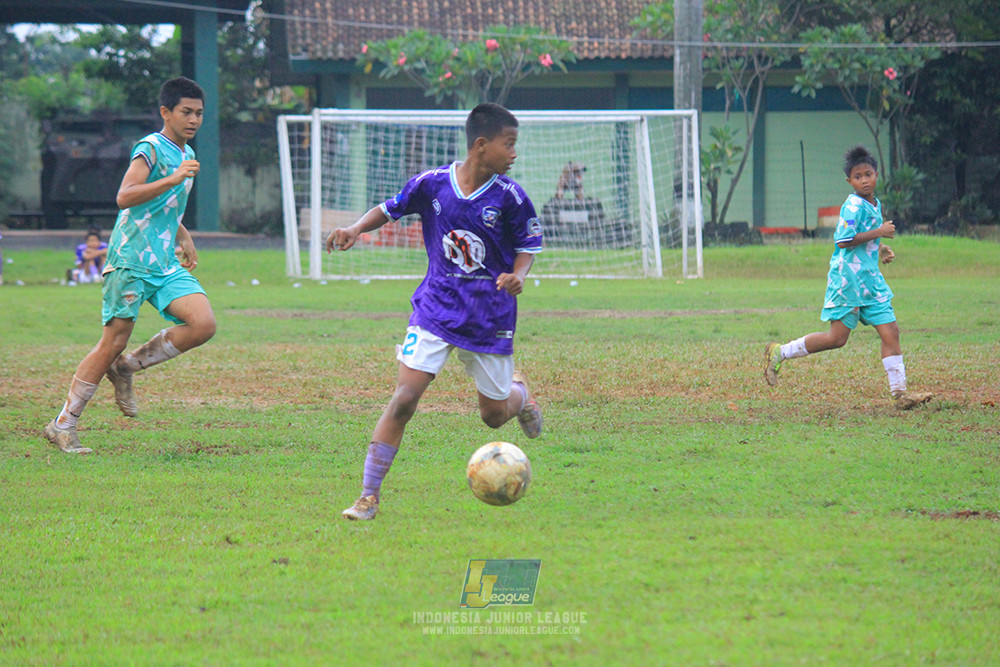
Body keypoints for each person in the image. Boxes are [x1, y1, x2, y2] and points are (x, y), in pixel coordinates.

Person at [327, 103, 544, 521]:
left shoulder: (512, 197)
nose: (515, 153)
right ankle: (368, 496)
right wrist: (355, 228)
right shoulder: (432, 184)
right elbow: (390, 208)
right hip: (436, 308)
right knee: (404, 399)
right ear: (481, 146)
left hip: (490, 316)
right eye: (509, 144)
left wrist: (518, 276)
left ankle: (521, 396)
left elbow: (528, 249)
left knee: (494, 417)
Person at [44, 77, 216, 454]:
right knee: (112, 341)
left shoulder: (183, 152)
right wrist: (173, 177)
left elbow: (159, 207)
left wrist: (182, 234)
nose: (194, 120)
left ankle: (127, 368)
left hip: (164, 261)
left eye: (199, 113)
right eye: (186, 112)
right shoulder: (151, 148)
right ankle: (63, 424)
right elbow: (126, 196)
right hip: (131, 260)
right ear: (165, 112)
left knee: (202, 323)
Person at [763, 145, 932, 410]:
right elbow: (843, 241)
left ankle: (901, 395)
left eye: (868, 174)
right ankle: (780, 352)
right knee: (836, 339)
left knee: (891, 332)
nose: (864, 180)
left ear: (877, 175)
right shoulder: (852, 206)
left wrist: (882, 249)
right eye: (857, 176)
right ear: (849, 181)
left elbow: (865, 239)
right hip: (848, 281)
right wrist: (879, 233)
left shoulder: (874, 203)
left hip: (870, 282)